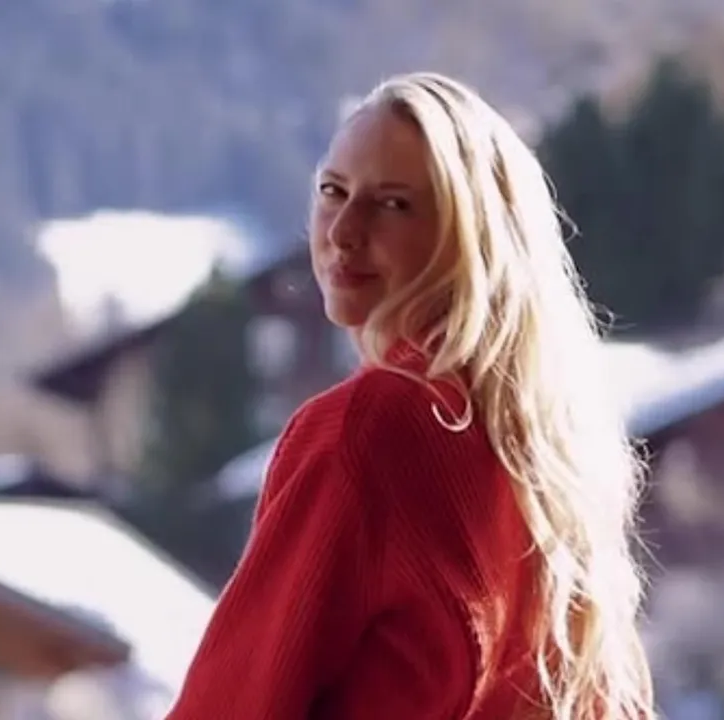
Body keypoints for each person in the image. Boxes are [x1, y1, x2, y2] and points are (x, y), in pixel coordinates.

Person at [166, 72, 654, 719]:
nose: (343, 231)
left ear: (470, 236)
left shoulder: (373, 425)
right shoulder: (555, 451)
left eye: (393, 204)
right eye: (332, 191)